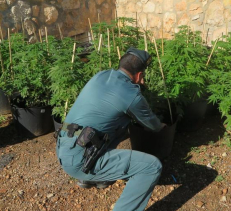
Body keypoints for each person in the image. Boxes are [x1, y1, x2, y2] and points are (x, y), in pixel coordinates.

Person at [56, 47, 166, 211]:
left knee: (117, 121)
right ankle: (90, 175)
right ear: (140, 75)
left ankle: (92, 178)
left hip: (65, 145)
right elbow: (152, 125)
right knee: (151, 167)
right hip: (79, 161)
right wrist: (162, 125)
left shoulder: (102, 75)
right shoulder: (132, 95)